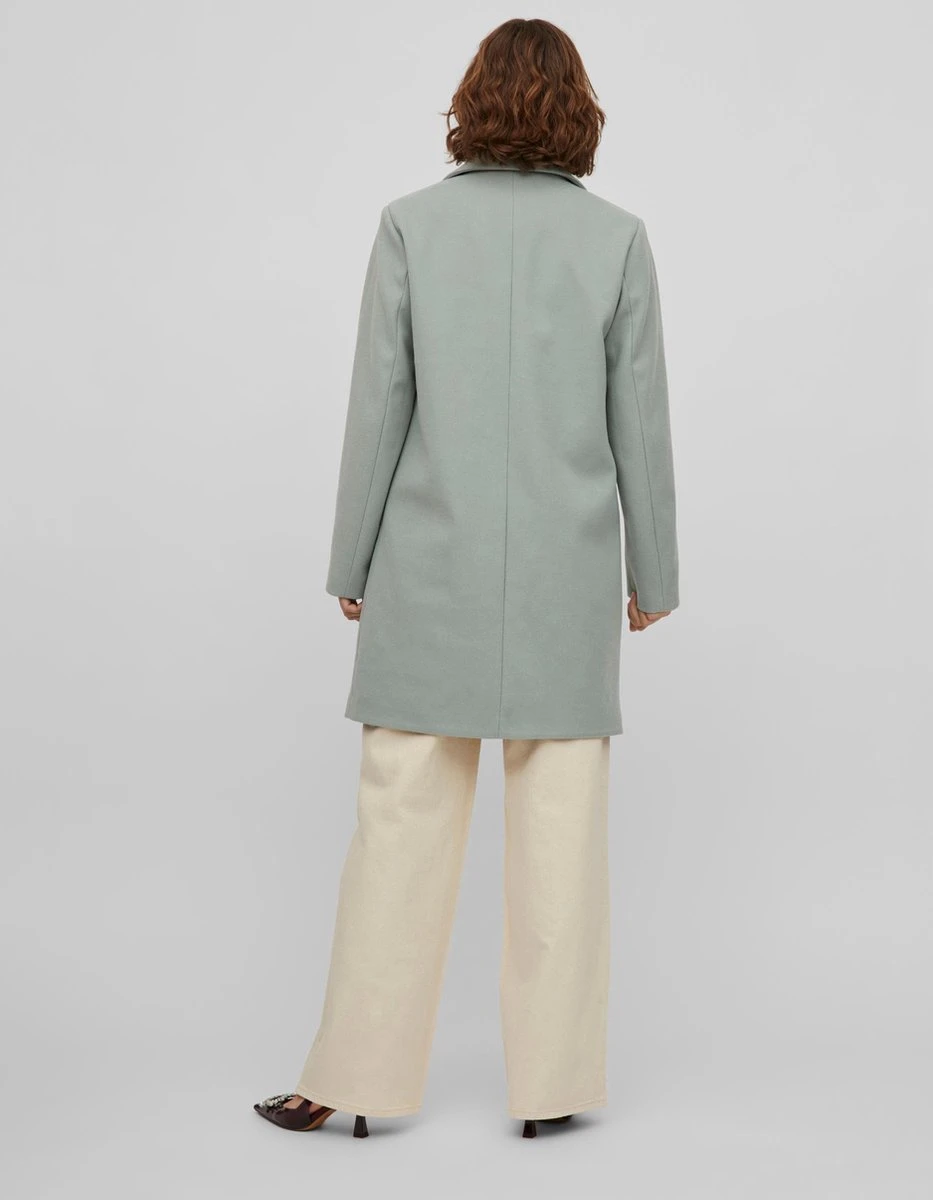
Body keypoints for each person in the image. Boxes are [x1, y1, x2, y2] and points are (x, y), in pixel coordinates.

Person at [254, 17, 679, 1141]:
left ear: (472, 102)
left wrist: (351, 558)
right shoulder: (617, 241)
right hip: (563, 579)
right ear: (579, 111)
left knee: (397, 834)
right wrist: (655, 574)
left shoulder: (411, 226)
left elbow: (378, 407)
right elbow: (640, 424)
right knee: (562, 844)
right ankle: (554, 1090)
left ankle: (352, 1079)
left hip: (427, 571)